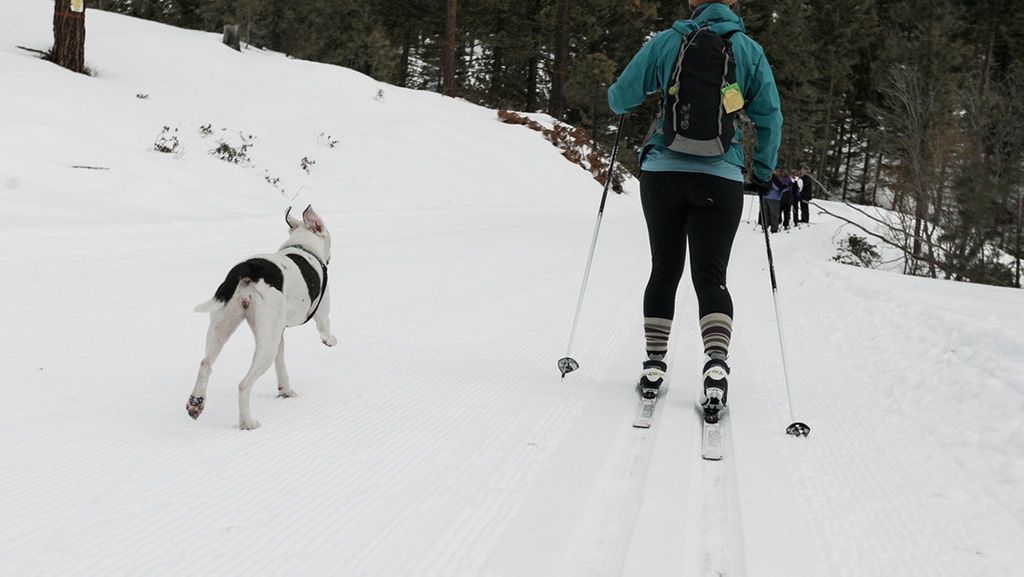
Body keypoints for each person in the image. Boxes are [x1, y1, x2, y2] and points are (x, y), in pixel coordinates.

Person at [607, 0, 782, 415]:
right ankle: (716, 368)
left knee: (664, 269)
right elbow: (770, 117)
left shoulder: (668, 41)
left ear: (691, 2)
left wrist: (635, 99)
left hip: (662, 171)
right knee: (711, 277)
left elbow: (620, 98)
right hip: (721, 177)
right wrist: (760, 170)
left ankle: (653, 367)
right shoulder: (749, 51)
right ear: (734, 3)